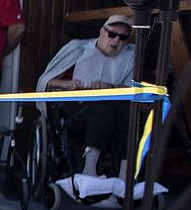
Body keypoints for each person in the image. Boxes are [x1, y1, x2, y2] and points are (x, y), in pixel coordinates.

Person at [40, 13, 137, 175]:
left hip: (111, 104)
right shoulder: (78, 49)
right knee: (102, 112)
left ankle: (125, 172)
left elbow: (130, 88)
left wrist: (110, 87)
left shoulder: (129, 57)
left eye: (123, 37)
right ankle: (89, 169)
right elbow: (46, 81)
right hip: (76, 105)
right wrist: (67, 84)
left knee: (129, 112)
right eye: (112, 34)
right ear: (102, 32)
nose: (116, 41)